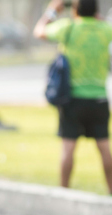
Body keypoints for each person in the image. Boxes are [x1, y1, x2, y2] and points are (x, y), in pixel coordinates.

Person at [34, 0, 112, 194]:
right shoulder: (105, 29)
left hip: (72, 100)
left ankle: (64, 192)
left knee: (68, 148)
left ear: (75, 10)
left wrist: (53, 10)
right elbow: (101, 22)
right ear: (96, 10)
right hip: (99, 98)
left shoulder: (68, 27)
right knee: (104, 148)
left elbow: (39, 31)